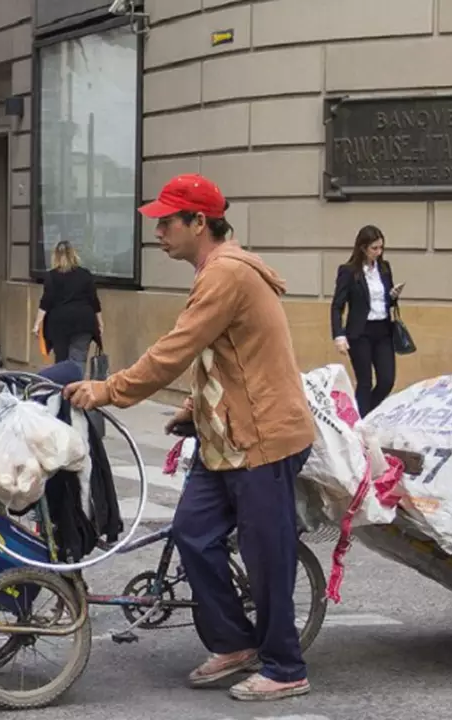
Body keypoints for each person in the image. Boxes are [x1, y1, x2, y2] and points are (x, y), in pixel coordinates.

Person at [64, 174, 315, 702]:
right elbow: (219, 356)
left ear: (200, 222)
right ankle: (234, 642)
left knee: (266, 556)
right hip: (226, 436)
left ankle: (286, 666)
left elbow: (174, 351)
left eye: (167, 221)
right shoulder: (214, 271)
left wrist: (108, 390)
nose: (158, 231)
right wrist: (191, 409)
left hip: (263, 438)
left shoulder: (226, 275)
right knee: (193, 534)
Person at [330, 225, 403, 416]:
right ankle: (361, 425)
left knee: (387, 380)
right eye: (374, 248)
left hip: (383, 330)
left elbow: (387, 300)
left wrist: (393, 295)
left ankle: (359, 416)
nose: (378, 253)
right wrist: (339, 334)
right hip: (360, 332)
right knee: (364, 382)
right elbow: (337, 305)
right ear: (363, 248)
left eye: (381, 248)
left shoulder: (385, 268)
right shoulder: (349, 271)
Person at [33, 241, 103, 370]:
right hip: (84, 321)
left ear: (55, 256)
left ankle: (64, 388)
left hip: (59, 324)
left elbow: (46, 302)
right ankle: (77, 387)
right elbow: (94, 301)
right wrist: (100, 322)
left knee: (62, 361)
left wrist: (37, 324)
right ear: (74, 255)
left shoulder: (52, 276)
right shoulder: (85, 274)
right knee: (79, 360)